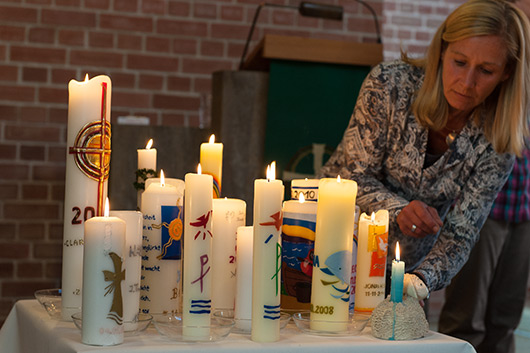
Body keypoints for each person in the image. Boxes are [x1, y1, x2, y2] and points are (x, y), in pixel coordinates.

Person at [318, 0, 530, 300]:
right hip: (332, 250)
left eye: (485, 70)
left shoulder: (498, 138)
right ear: (442, 49)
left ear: (506, 73)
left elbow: (461, 231)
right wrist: (399, 209)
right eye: (459, 62)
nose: (467, 83)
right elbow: (351, 179)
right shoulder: (390, 85)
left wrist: (419, 281)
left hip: (408, 269)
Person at [438, 1, 530, 352]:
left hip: (524, 208)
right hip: (482, 208)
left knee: (506, 319)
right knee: (466, 319)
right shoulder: (494, 50)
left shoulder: (519, 66)